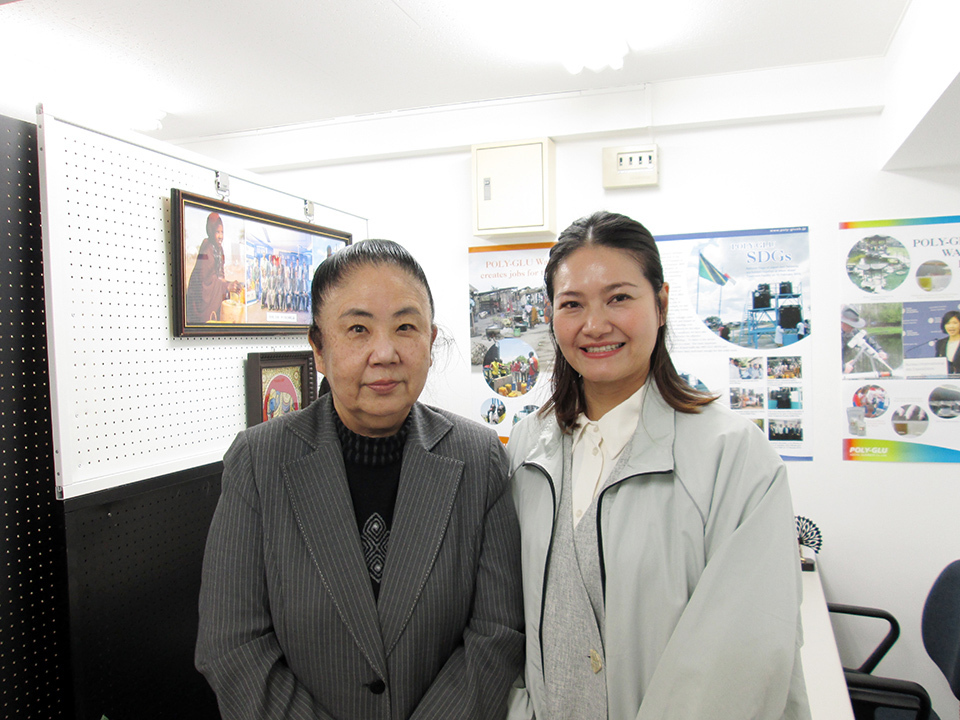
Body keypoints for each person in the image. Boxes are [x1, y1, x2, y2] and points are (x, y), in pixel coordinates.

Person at [197, 239, 524, 720]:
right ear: (320, 349)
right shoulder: (258, 462)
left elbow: (497, 635)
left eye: (406, 327)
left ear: (430, 344)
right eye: (357, 329)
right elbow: (233, 647)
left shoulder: (480, 460)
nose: (385, 352)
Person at [506, 212, 808, 720]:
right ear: (550, 315)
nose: (595, 324)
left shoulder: (731, 455)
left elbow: (741, 659)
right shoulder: (525, 448)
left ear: (662, 304)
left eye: (619, 297)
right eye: (572, 304)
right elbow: (503, 622)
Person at [185, 212, 239, 324]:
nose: (220, 236)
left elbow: (219, 274)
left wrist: (229, 284)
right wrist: (226, 286)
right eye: (217, 232)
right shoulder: (207, 249)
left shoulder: (219, 249)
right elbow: (205, 280)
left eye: (222, 232)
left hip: (211, 290)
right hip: (199, 297)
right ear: (210, 231)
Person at [841, 305, 888, 374]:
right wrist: (843, 368)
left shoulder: (852, 331)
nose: (853, 328)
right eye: (851, 325)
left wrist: (879, 350)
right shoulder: (829, 336)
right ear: (842, 323)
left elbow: (866, 339)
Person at [934, 310, 960, 374]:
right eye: (948, 323)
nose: (951, 326)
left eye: (955, 323)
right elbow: (937, 364)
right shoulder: (940, 343)